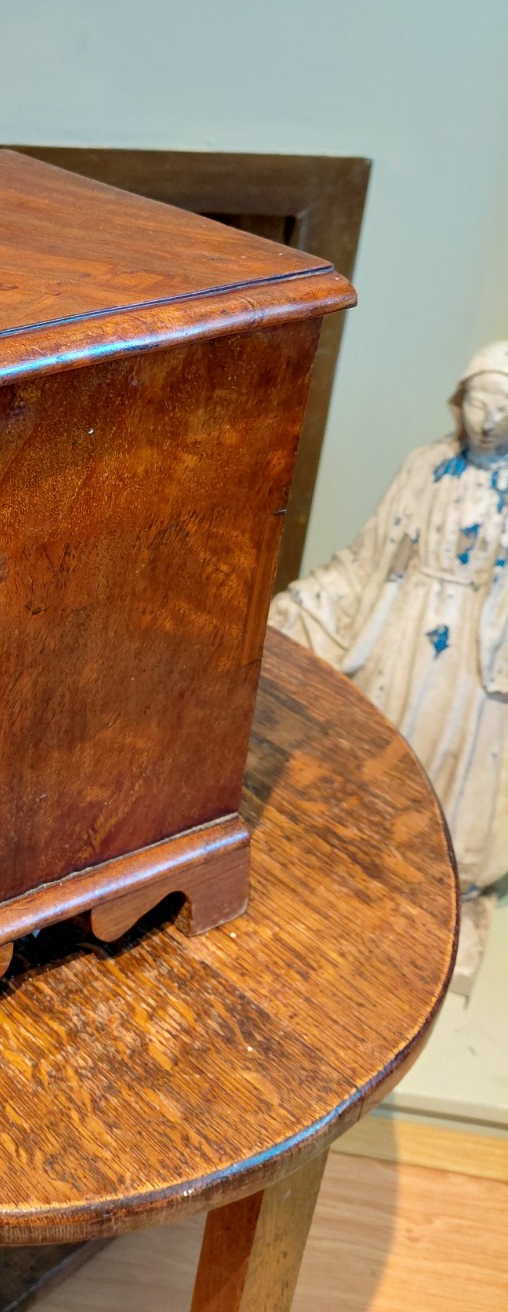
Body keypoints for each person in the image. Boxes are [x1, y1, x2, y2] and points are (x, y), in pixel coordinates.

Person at [270, 341, 508, 970]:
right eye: (480, 401)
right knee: (387, 744)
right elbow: (369, 557)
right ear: (460, 402)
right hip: (402, 630)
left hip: (476, 656)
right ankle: (372, 854)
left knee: (454, 757)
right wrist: (312, 600)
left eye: (504, 408)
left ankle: (445, 882)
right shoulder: (425, 466)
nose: (488, 419)